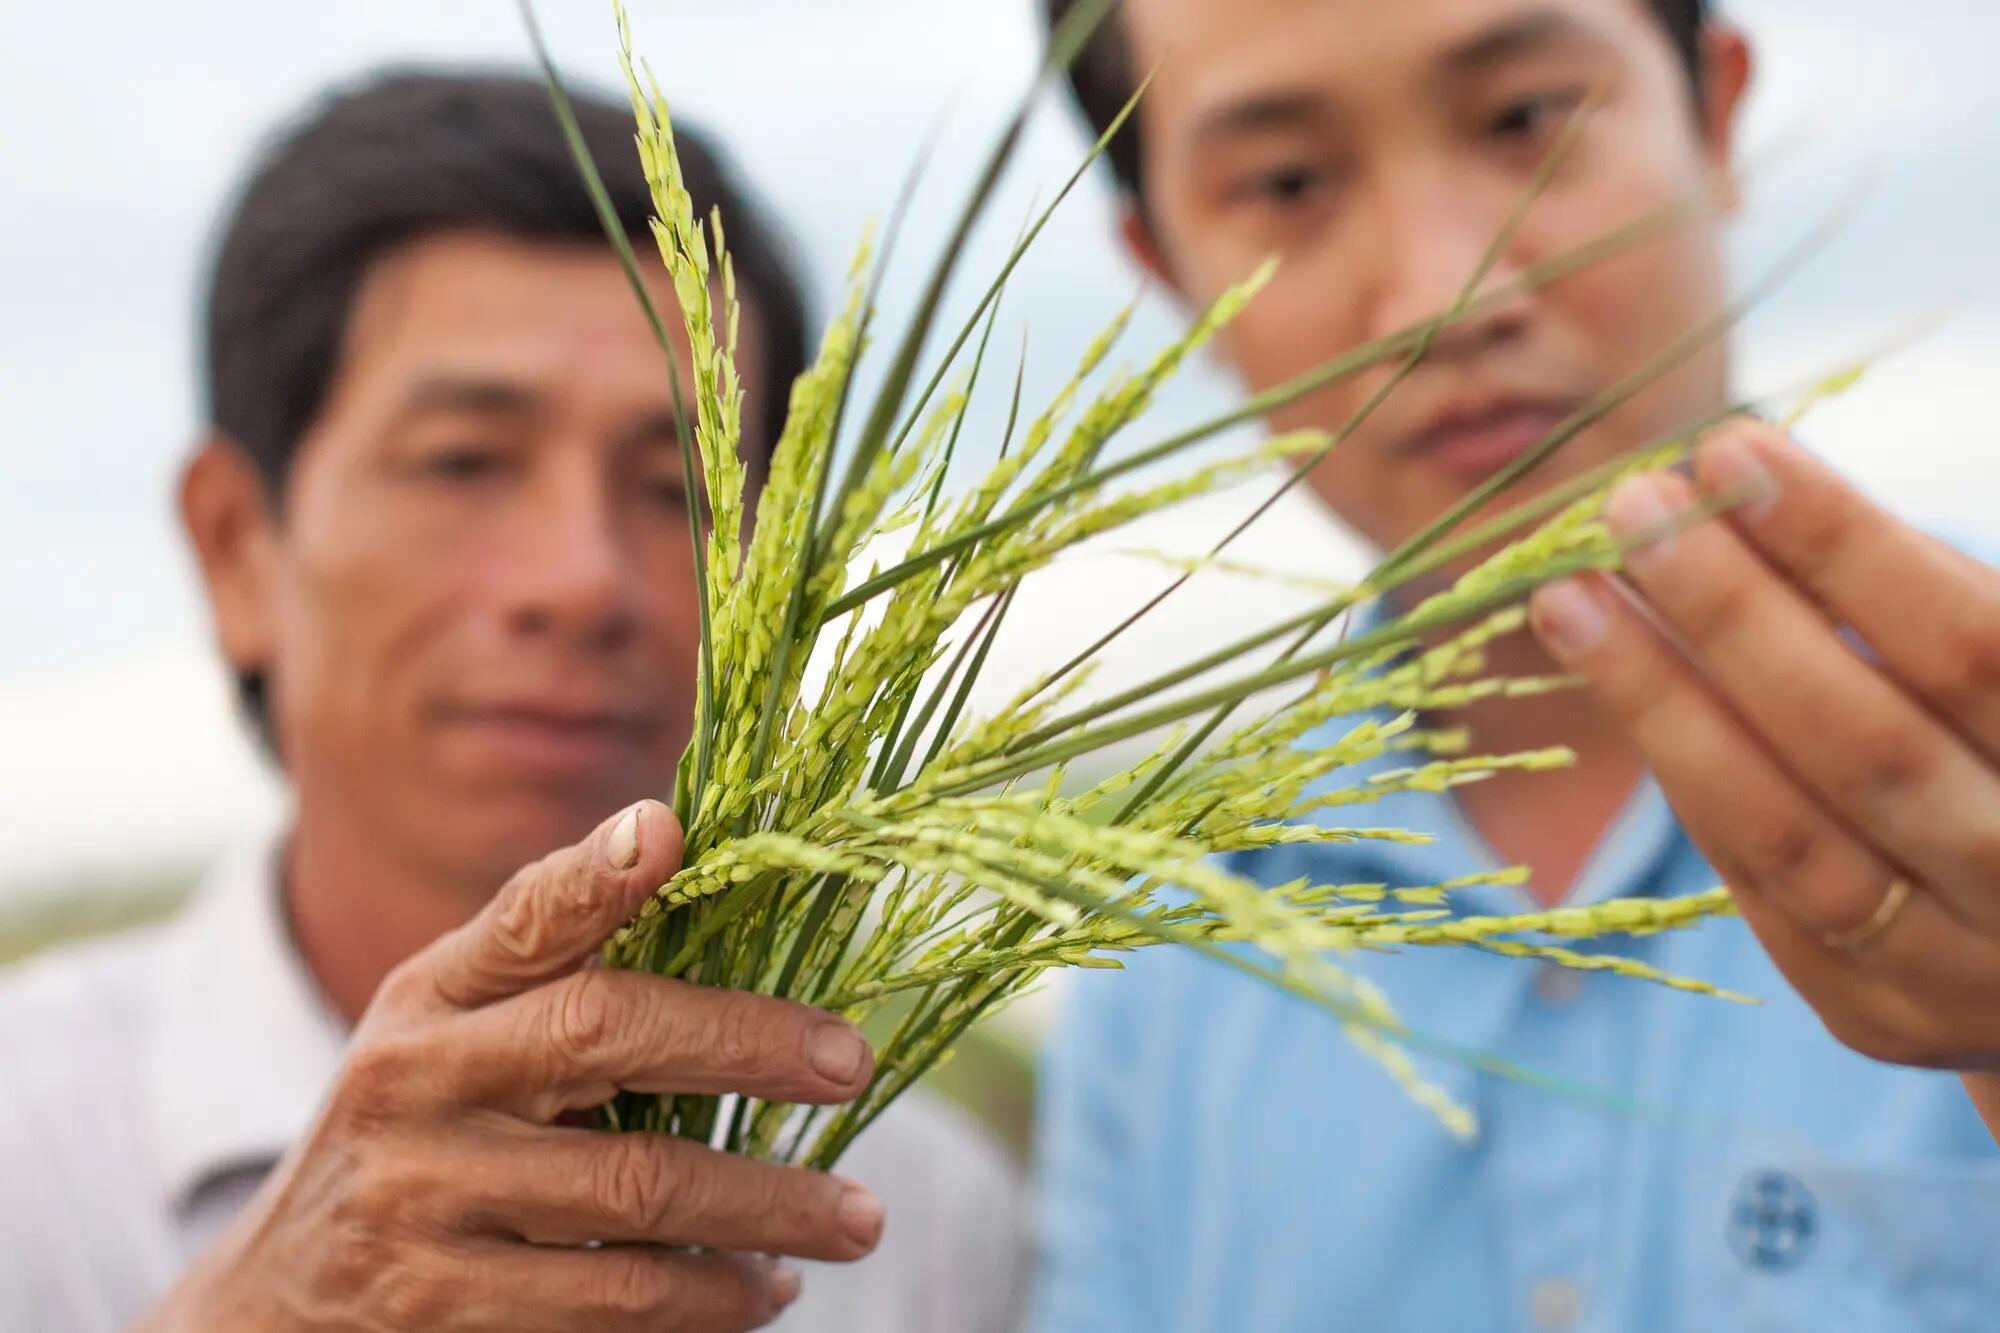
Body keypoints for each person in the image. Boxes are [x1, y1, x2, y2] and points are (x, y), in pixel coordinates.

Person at [0, 71, 1023, 1332]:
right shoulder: (25, 1152)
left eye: (672, 485)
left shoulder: (913, 1222)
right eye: (463, 462)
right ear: (235, 548)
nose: (580, 579)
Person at [1033, 0, 2000, 1328]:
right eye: (1289, 184)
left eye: (1526, 120)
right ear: (1165, 268)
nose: (1448, 293)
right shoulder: (1157, 944)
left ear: (1714, 114)